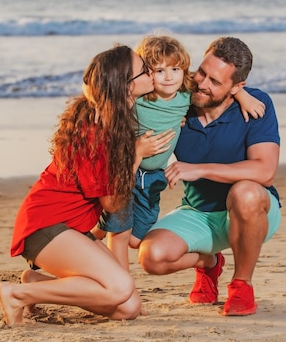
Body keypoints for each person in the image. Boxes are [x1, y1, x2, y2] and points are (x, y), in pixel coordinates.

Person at [0, 44, 174, 325]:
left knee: (128, 307)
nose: (151, 72)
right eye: (144, 69)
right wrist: (137, 154)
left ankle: (35, 284)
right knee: (119, 288)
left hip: (71, 229)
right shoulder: (95, 130)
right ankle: (17, 294)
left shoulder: (113, 115)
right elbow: (113, 204)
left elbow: (182, 88)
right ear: (125, 85)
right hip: (46, 226)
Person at [92, 35, 266, 271]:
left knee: (134, 239)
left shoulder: (186, 94)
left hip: (153, 180)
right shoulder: (145, 95)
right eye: (159, 70)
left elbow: (216, 80)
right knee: (120, 235)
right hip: (128, 170)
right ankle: (119, 285)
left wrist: (241, 95)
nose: (169, 76)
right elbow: (109, 88)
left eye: (175, 69)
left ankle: (220, 269)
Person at [137, 37, 281, 316]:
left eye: (215, 82)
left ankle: (242, 285)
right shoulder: (178, 100)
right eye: (201, 72)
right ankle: (208, 263)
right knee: (151, 258)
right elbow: (144, 73)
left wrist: (200, 169)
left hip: (253, 211)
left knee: (246, 191)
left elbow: (265, 170)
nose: (202, 84)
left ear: (237, 87)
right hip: (198, 212)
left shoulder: (256, 104)